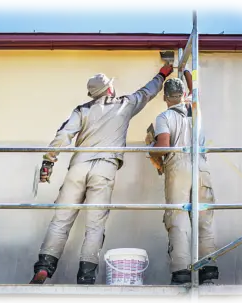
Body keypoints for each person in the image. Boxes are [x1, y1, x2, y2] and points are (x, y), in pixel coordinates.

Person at [29, 64, 174, 285]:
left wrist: (49, 160)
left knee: (60, 221)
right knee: (95, 225)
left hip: (78, 167)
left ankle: (44, 268)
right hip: (105, 169)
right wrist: (163, 74)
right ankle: (86, 276)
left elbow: (63, 135)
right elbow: (147, 92)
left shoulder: (82, 110)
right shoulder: (124, 105)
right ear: (109, 89)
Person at [150, 75, 219, 285]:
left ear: (165, 97)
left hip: (178, 165)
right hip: (200, 163)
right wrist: (188, 71)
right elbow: (195, 88)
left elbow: (164, 147)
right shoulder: (196, 111)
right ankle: (208, 269)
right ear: (184, 95)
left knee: (178, 216)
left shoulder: (164, 117)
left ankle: (181, 271)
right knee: (203, 216)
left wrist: (151, 151)